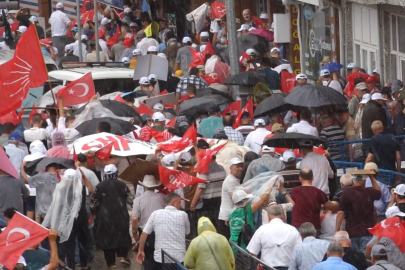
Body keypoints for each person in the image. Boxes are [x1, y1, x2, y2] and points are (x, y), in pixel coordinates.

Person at [42, 169, 92, 270]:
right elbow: (90, 191)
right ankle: (83, 264)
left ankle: (70, 265)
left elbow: (55, 205)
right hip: (80, 218)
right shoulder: (81, 188)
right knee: (83, 240)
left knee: (69, 243)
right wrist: (83, 177)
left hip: (65, 218)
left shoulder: (60, 188)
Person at [91, 165, 132, 267]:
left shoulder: (99, 186)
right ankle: (123, 257)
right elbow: (131, 200)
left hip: (105, 218)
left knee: (107, 240)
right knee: (122, 236)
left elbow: (93, 203)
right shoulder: (123, 185)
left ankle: (111, 263)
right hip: (121, 216)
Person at [137, 193, 190, 267]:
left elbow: (144, 234)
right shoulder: (183, 215)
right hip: (178, 259)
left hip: (160, 259)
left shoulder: (155, 214)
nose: (181, 205)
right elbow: (187, 233)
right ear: (173, 203)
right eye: (179, 203)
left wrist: (141, 250)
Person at [336, 173, 382, 253]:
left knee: (354, 257)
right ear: (364, 181)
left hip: (352, 232)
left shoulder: (346, 193)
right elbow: (379, 192)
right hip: (367, 232)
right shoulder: (369, 192)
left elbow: (340, 213)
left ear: (352, 181)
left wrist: (336, 229)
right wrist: (371, 177)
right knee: (365, 259)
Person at [247, 205, 302, 269]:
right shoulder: (293, 230)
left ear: (268, 216)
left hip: (268, 267)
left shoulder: (261, 230)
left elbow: (253, 252)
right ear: (282, 215)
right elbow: (300, 251)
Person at [131, 175, 166, 270]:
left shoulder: (138, 200)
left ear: (143, 186)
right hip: (161, 231)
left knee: (148, 260)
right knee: (161, 259)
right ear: (155, 186)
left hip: (146, 234)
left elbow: (134, 219)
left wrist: (134, 234)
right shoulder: (162, 197)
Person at [190, 149, 227, 235]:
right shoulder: (222, 168)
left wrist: (193, 204)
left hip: (208, 203)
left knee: (208, 226)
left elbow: (200, 188)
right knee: (219, 224)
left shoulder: (204, 170)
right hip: (220, 200)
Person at [219, 158, 243, 238]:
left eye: (241, 166)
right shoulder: (230, 181)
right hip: (228, 217)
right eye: (237, 167)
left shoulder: (235, 180)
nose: (240, 169)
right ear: (231, 168)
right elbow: (235, 199)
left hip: (231, 216)